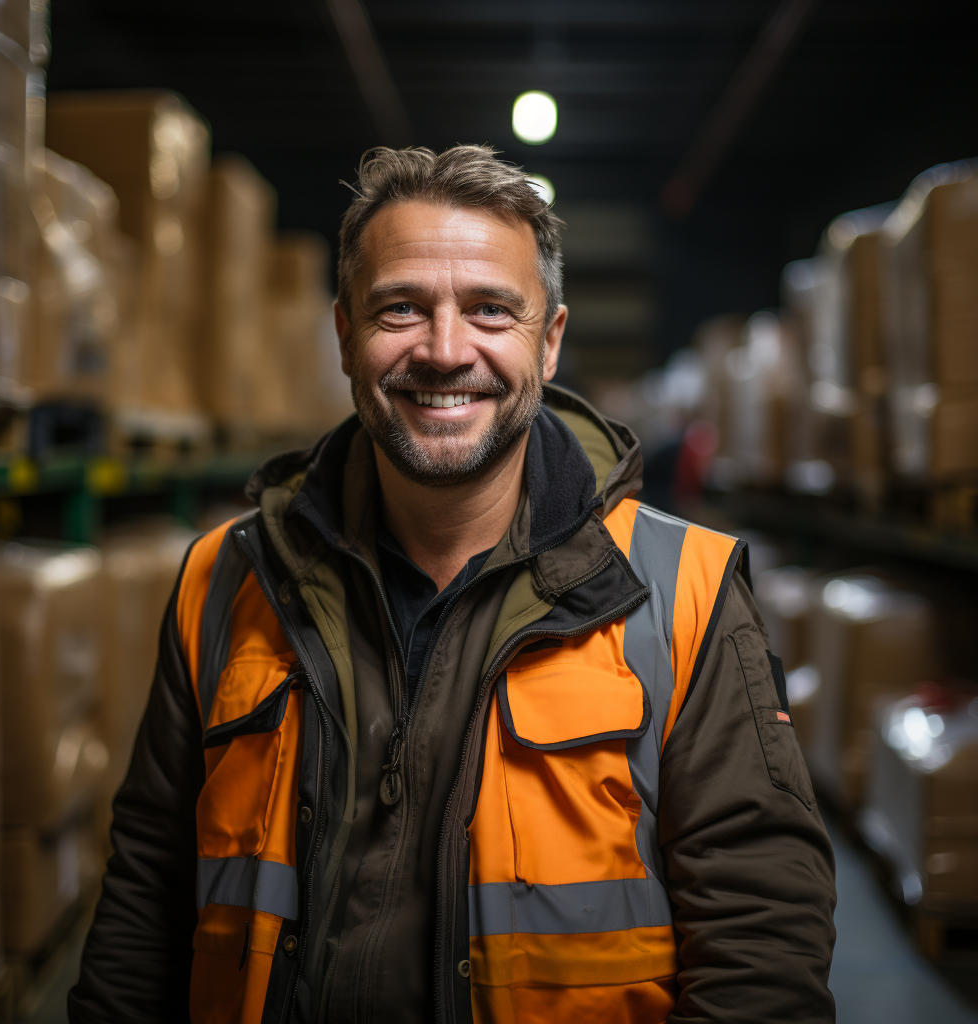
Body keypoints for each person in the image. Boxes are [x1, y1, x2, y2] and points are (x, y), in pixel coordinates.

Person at [68, 145, 836, 1024]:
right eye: (401, 308)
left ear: (548, 344)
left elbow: (762, 943)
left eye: (489, 311)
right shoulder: (225, 580)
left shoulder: (683, 593)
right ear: (346, 333)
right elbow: (144, 905)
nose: (443, 350)